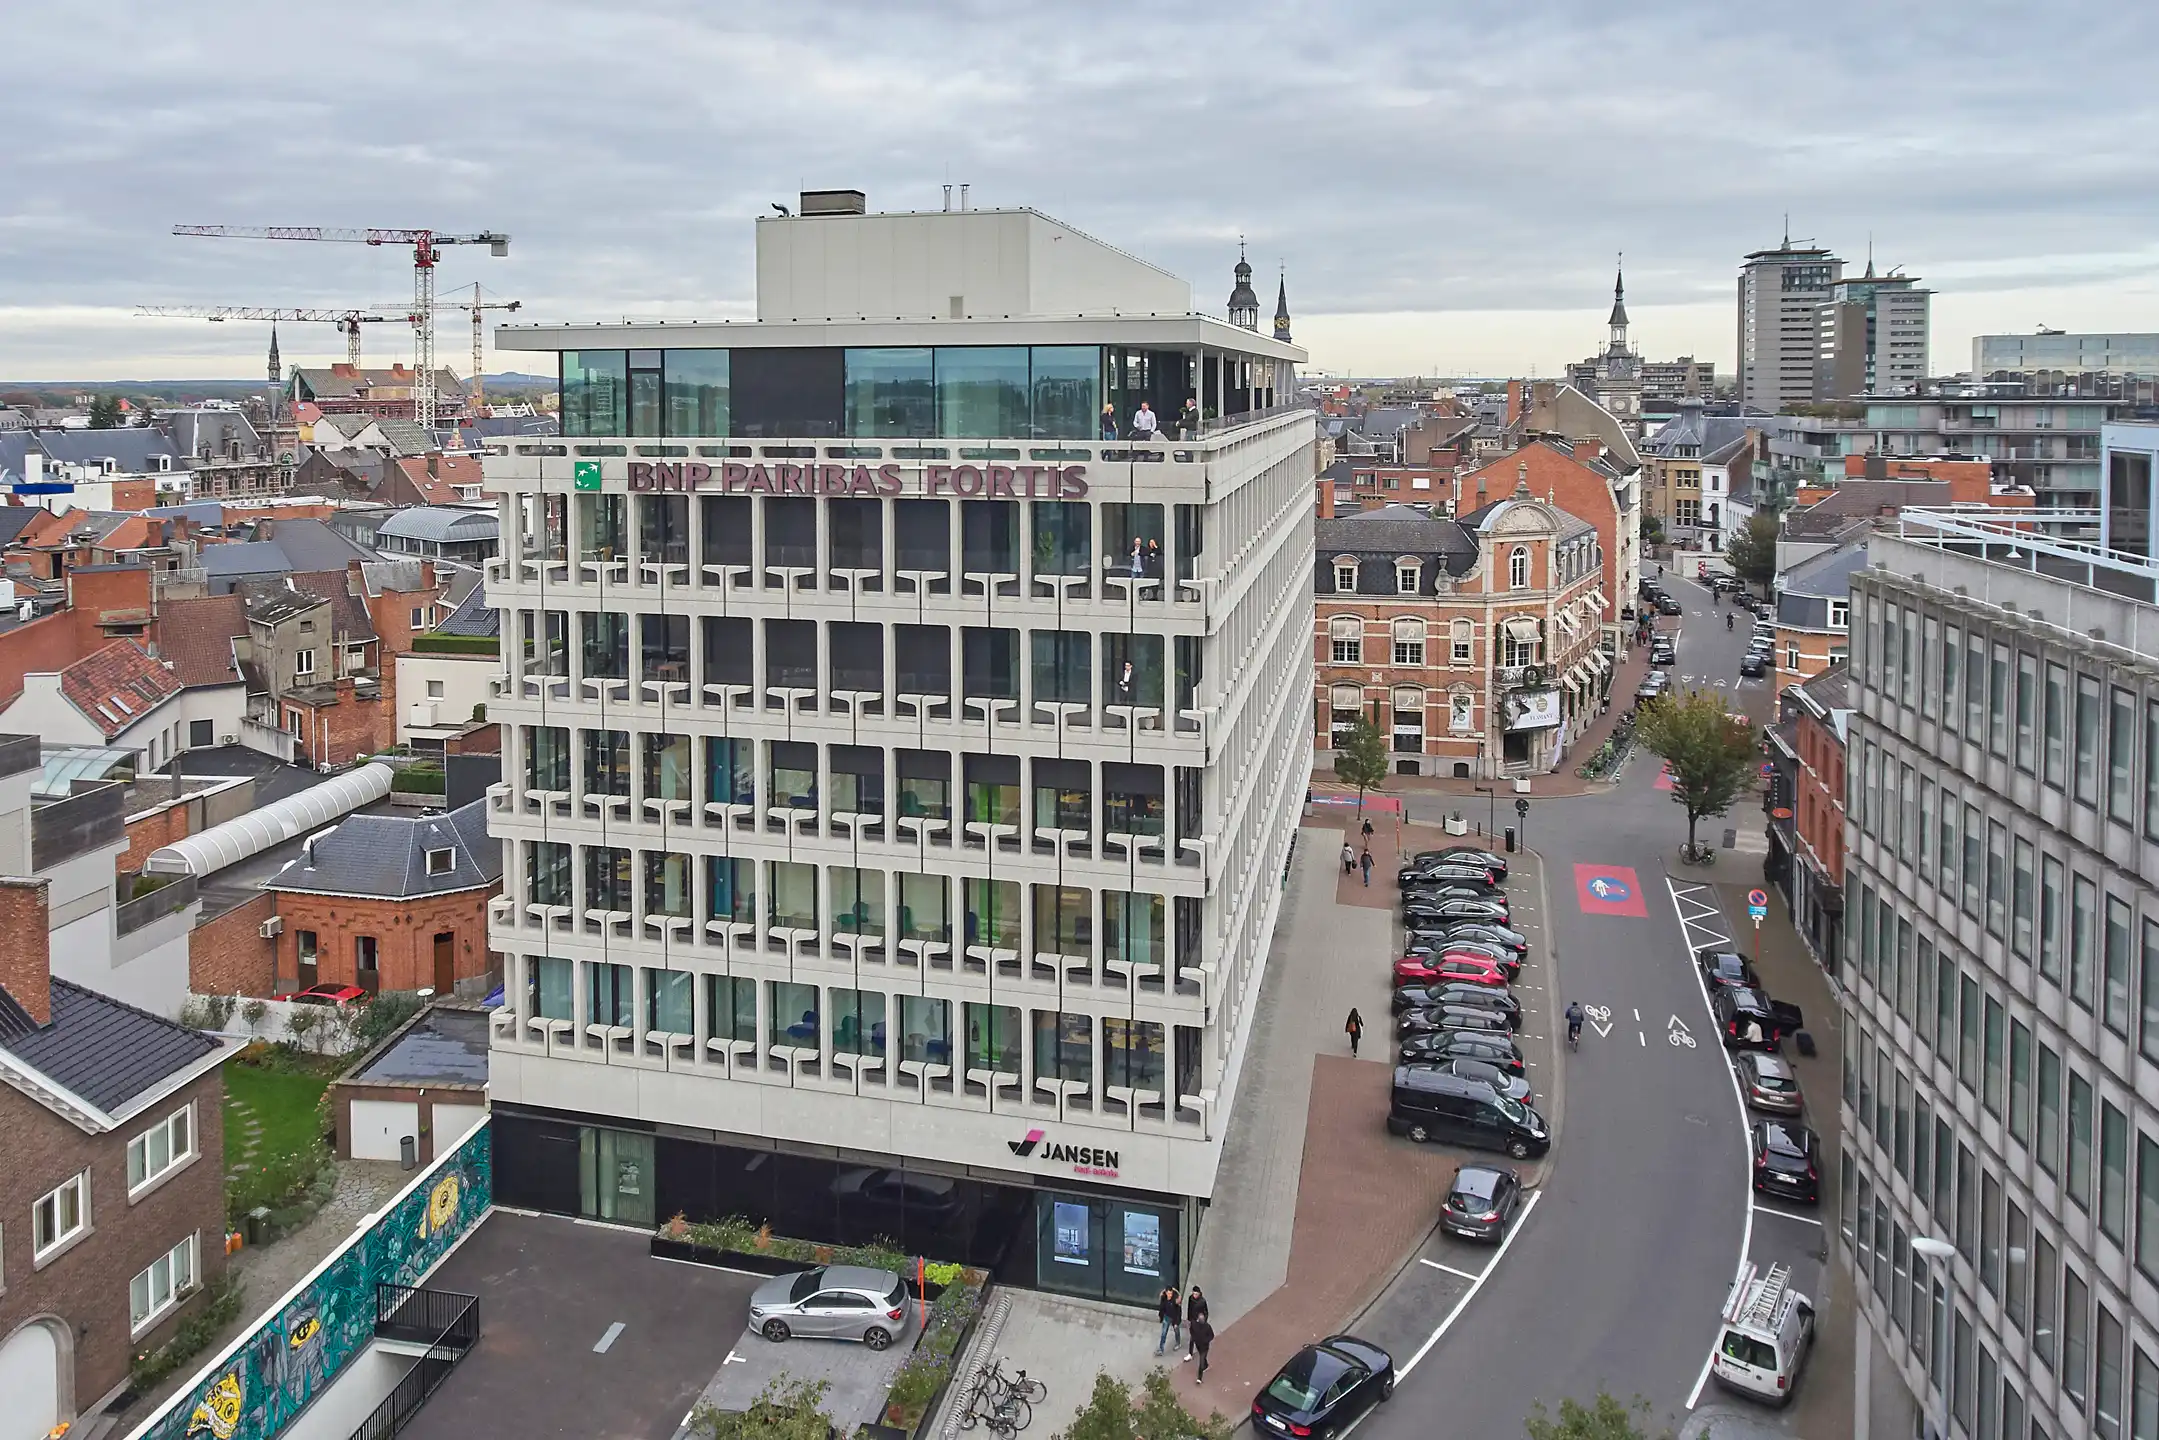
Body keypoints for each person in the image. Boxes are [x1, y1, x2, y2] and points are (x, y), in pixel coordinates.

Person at [1156, 1284, 1182, 1354]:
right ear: (1166, 1293)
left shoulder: (1175, 1300)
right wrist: (1161, 1317)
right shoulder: (1163, 1298)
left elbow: (1179, 1312)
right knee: (1163, 1333)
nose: (1170, 1295)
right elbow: (1161, 1308)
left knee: (1176, 1331)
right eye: (1168, 1293)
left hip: (1174, 1318)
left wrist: (1177, 1322)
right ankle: (1161, 1349)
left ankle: (1178, 1343)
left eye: (1171, 1293)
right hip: (1166, 1317)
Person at [1184, 1287, 1209, 1361]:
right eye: (1194, 1293)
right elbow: (1189, 1309)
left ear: (1199, 1293)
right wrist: (1189, 1319)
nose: (1194, 1295)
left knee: (1199, 1337)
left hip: (1199, 1322)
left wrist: (1203, 1321)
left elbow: (1206, 1312)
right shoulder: (1190, 1298)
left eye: (1196, 1294)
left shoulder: (1202, 1301)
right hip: (1193, 1320)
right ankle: (1190, 1353)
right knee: (1192, 1338)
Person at [1189, 1314, 1215, 1380]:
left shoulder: (1207, 1327)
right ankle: (1206, 1365)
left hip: (1204, 1347)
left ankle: (1199, 1378)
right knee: (1202, 1357)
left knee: (1201, 1361)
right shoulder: (1195, 1325)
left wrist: (1205, 1341)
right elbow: (1191, 1329)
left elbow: (1211, 1336)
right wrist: (1194, 1337)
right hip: (1198, 1345)